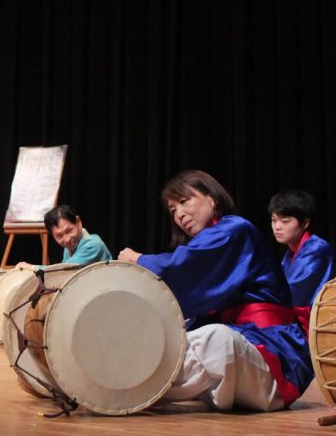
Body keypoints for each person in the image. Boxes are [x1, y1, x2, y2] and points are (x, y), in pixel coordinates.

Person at [117, 170, 313, 412]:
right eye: (172, 210)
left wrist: (139, 259)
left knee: (216, 340)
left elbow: (185, 265)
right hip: (235, 371)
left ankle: (123, 385)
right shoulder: (210, 241)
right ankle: (122, 382)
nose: (178, 214)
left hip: (274, 358)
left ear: (211, 198)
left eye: (183, 201)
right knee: (173, 340)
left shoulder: (236, 230)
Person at [269, 189, 336, 311]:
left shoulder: (317, 249)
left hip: (322, 317)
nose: (277, 227)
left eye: (285, 221)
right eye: (274, 220)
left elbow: (292, 292)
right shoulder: (289, 255)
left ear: (305, 223)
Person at [15, 204, 111, 271]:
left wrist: (32, 268)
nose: (67, 239)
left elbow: (63, 270)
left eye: (69, 231)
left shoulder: (93, 245)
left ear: (78, 222)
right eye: (59, 236)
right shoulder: (70, 248)